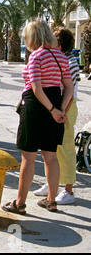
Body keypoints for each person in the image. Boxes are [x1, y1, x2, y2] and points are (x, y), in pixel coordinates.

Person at [2, 19, 74, 215]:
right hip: (56, 104)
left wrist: (52, 109)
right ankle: (51, 200)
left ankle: (20, 203)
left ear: (31, 37)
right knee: (51, 156)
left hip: (35, 106)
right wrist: (61, 109)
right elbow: (69, 87)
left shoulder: (36, 56)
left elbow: (36, 87)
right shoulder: (61, 56)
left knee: (28, 157)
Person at [34, 28, 81, 205]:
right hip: (56, 108)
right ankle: (51, 183)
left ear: (59, 45)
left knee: (65, 148)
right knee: (50, 148)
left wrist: (62, 111)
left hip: (65, 108)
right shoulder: (59, 59)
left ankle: (68, 190)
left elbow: (70, 91)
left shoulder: (70, 62)